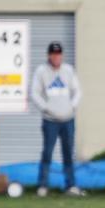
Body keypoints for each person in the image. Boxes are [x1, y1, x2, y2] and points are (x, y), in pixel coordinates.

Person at [31, 41, 84, 197]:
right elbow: (34, 93)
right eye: (53, 54)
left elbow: (78, 91)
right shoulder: (41, 71)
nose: (56, 57)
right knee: (47, 152)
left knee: (68, 152)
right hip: (50, 120)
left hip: (68, 119)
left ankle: (70, 185)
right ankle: (43, 185)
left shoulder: (68, 70)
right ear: (49, 55)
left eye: (58, 54)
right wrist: (46, 108)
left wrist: (72, 107)